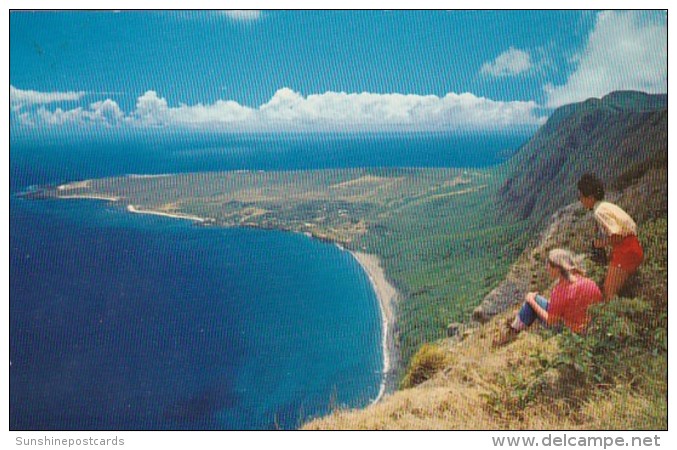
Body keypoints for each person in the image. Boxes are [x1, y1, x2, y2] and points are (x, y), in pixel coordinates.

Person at [493, 249, 603, 347]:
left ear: (557, 269)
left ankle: (512, 332)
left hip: (570, 332)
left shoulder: (559, 291)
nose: (547, 267)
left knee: (532, 302)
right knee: (537, 300)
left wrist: (531, 301)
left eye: (549, 264)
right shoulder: (589, 283)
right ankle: (514, 326)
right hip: (588, 327)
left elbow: (551, 321)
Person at [577, 173, 643, 301]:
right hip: (632, 247)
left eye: (580, 196)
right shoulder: (606, 205)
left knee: (608, 294)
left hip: (626, 251)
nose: (580, 200)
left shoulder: (599, 212)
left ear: (590, 197)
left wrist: (599, 244)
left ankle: (622, 319)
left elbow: (617, 236)